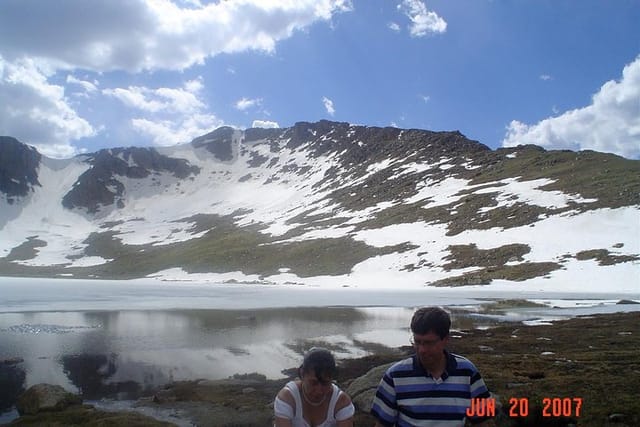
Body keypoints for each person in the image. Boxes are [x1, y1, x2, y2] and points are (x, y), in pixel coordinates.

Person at [370, 307, 495, 426]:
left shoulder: (468, 372)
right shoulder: (395, 376)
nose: (422, 350)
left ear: (446, 339)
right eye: (417, 342)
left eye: (429, 343)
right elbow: (382, 424)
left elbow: (484, 422)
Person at [274, 347, 355, 427]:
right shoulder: (288, 398)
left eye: (325, 383)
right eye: (313, 383)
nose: (319, 391)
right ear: (302, 374)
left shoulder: (341, 403)